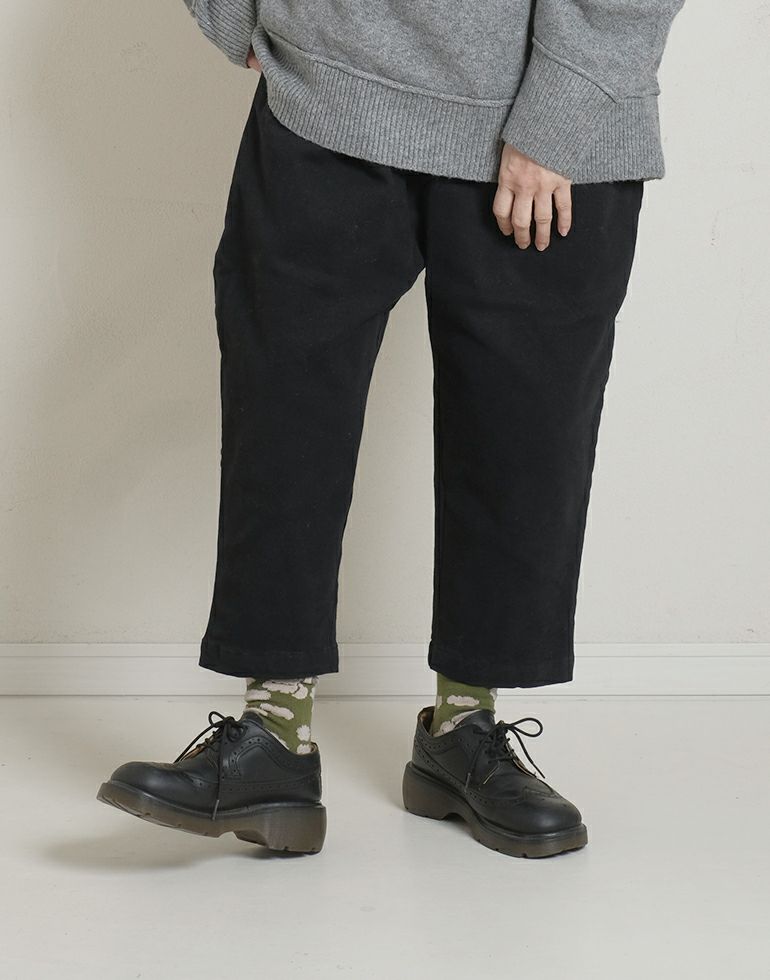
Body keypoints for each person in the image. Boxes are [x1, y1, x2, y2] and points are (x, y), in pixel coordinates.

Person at [97, 0, 685, 858]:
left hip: (546, 124)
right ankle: (274, 736)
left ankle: (465, 730)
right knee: (283, 416)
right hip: (326, 82)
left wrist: (564, 112)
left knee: (521, 435)